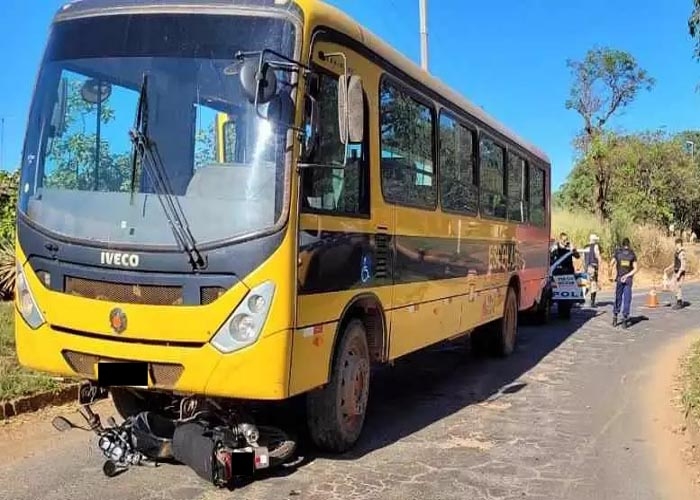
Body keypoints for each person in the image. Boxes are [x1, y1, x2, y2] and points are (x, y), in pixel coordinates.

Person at [609, 237, 639, 329]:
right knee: (627, 299)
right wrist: (627, 275)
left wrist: (610, 275)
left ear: (622, 244)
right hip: (628, 280)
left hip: (619, 278)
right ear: (629, 244)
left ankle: (615, 316)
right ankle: (625, 319)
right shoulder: (632, 253)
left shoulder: (618, 252)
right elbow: (635, 268)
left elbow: (611, 264)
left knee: (618, 298)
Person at [664, 237, 687, 310]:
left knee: (678, 287)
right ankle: (678, 301)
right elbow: (675, 263)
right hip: (676, 271)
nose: (676, 245)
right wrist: (668, 268)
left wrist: (679, 274)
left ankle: (679, 303)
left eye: (677, 244)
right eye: (676, 244)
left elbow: (683, 265)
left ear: (680, 244)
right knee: (673, 286)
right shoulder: (676, 253)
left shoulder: (682, 253)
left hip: (680, 272)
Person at [585, 233, 602, 307]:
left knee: (587, 284)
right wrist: (600, 264)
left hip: (587, 267)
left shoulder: (586, 247)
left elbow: (583, 259)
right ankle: (592, 302)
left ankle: (581, 298)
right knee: (593, 284)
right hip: (593, 267)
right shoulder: (595, 246)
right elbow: (598, 256)